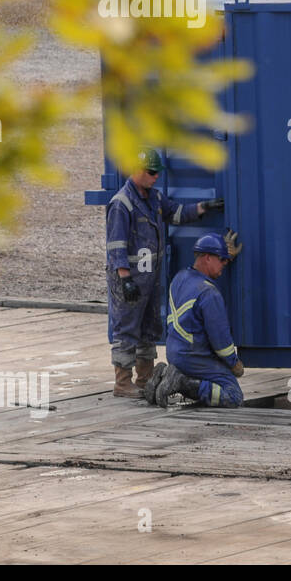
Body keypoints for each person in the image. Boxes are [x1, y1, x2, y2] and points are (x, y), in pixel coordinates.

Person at [105, 148, 222, 398]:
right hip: (130, 280)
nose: (156, 176)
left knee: (148, 328)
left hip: (148, 280)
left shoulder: (154, 200)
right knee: (126, 329)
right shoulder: (122, 204)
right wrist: (125, 278)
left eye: (158, 172)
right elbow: (116, 245)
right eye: (151, 172)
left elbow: (176, 213)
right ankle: (122, 382)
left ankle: (145, 378)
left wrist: (204, 207)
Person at [146, 231, 245, 408]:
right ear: (207, 257)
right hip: (194, 357)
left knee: (207, 380)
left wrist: (222, 253)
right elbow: (221, 342)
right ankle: (182, 382)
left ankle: (164, 377)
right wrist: (234, 363)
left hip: (174, 354)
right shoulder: (209, 294)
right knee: (233, 395)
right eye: (222, 259)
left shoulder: (180, 278)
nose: (225, 264)